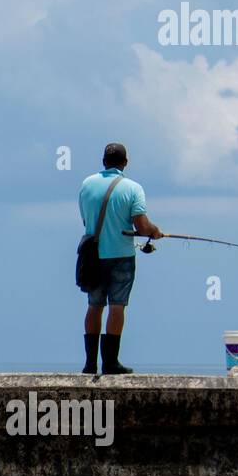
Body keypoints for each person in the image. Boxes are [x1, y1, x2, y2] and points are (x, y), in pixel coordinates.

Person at [78, 143, 163, 375]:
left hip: (92, 256)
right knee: (117, 307)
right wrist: (155, 232)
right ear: (125, 162)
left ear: (103, 161)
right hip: (121, 256)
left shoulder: (86, 185)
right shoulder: (133, 188)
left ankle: (89, 364)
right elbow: (142, 226)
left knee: (94, 306)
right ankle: (111, 363)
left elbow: (87, 221)